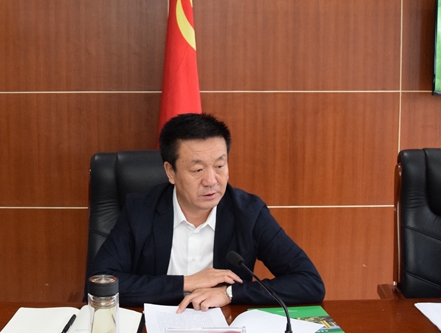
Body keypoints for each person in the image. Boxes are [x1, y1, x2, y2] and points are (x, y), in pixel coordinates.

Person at [90, 113, 325, 311]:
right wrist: (186, 283)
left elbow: (309, 282)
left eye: (220, 166)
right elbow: (99, 284)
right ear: (170, 172)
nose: (211, 180)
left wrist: (230, 293)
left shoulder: (248, 213)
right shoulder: (140, 210)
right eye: (198, 170)